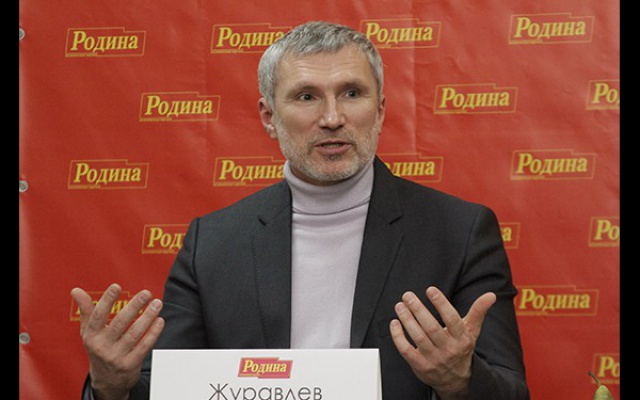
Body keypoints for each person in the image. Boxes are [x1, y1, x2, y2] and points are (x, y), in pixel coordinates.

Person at [71, 21, 530, 400]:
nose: (332, 117)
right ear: (269, 117)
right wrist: (112, 387)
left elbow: (511, 392)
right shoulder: (211, 243)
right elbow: (169, 390)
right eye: (306, 96)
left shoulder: (460, 231)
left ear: (380, 110)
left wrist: (460, 381)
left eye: (352, 93)